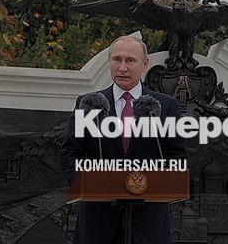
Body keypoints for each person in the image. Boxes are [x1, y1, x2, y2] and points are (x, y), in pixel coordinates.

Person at [60, 35, 187, 244]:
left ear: (145, 64)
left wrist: (151, 182)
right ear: (109, 62)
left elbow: (177, 157)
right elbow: (70, 153)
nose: (122, 67)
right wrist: (86, 184)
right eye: (116, 59)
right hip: (97, 225)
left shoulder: (165, 106)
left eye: (130, 60)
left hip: (148, 226)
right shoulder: (89, 104)